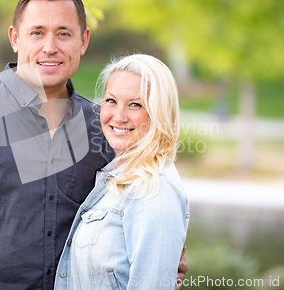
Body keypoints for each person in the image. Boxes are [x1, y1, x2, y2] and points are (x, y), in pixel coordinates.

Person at [0, 0, 187, 289]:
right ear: (15, 38)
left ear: (83, 41)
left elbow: (145, 205)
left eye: (64, 33)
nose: (50, 46)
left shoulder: (102, 125)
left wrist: (162, 262)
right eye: (37, 32)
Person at [55, 54, 189, 289]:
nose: (118, 116)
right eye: (111, 101)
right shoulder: (115, 178)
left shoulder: (154, 189)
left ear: (159, 113)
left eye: (135, 104)